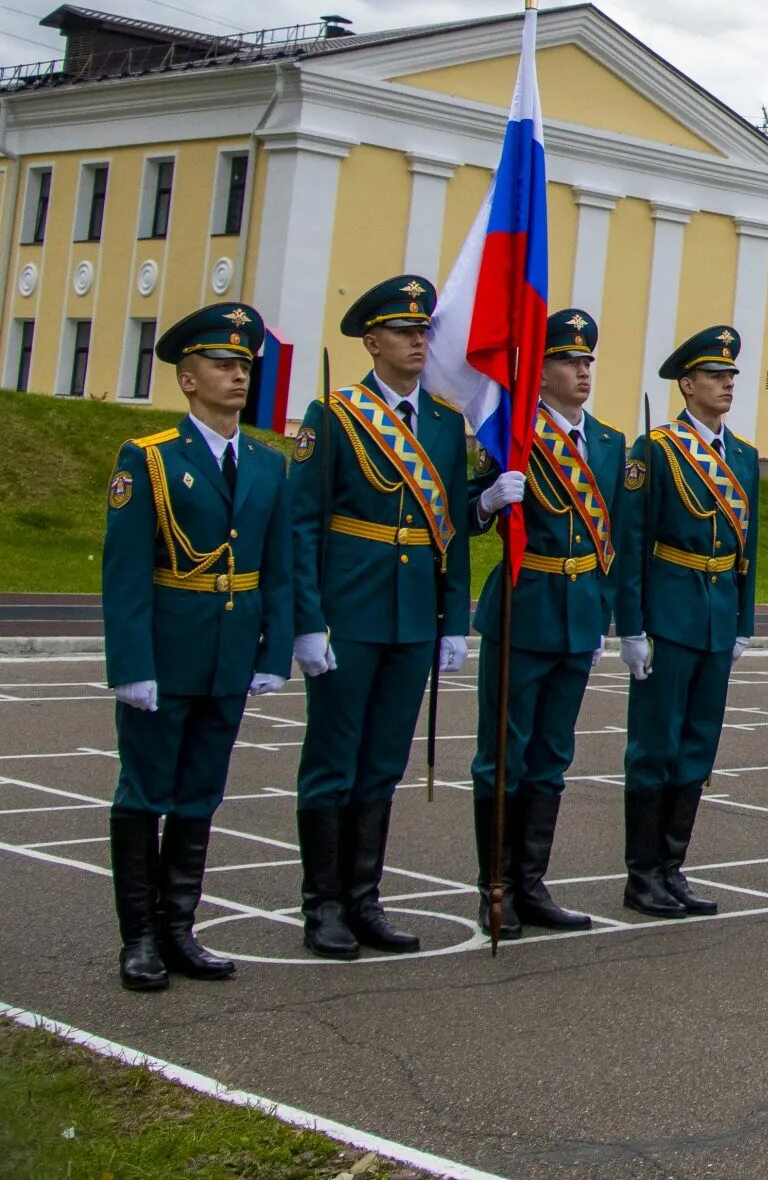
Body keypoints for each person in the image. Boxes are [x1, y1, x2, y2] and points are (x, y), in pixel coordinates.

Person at [101, 303, 294, 990]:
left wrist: (273, 656)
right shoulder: (149, 460)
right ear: (187, 379)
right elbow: (123, 572)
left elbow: (278, 566)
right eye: (222, 364)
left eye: (244, 365)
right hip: (167, 654)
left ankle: (180, 928)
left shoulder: (269, 466)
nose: (238, 376)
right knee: (146, 791)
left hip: (229, 656)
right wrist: (131, 665)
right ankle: (140, 938)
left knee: (200, 795)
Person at [291, 275, 469, 959]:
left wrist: (454, 618)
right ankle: (323, 906)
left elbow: (447, 528)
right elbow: (303, 524)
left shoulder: (445, 424)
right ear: (372, 341)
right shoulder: (334, 416)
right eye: (404, 331)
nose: (419, 341)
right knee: (333, 761)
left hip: (413, 617)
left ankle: (364, 899)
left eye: (424, 331)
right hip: (351, 611)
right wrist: (307, 618)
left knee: (383, 764)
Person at [468, 308, 636, 937]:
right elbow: (466, 508)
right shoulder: (512, 433)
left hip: (577, 614)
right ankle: (497, 887)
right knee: (503, 756)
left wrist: (604, 616)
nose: (582, 370)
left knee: (551, 757)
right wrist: (487, 499)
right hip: (525, 602)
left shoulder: (611, 443)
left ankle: (532, 884)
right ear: (538, 372)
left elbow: (613, 538)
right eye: (568, 359)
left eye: (588, 360)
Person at [622, 324, 761, 916]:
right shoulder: (655, 449)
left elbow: (746, 548)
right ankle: (642, 874)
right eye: (714, 375)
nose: (727, 383)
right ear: (687, 384)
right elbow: (632, 539)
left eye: (731, 374)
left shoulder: (746, 457)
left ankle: (672, 868)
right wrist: (631, 624)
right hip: (672, 612)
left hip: (715, 614)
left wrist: (743, 623)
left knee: (698, 746)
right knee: (655, 746)